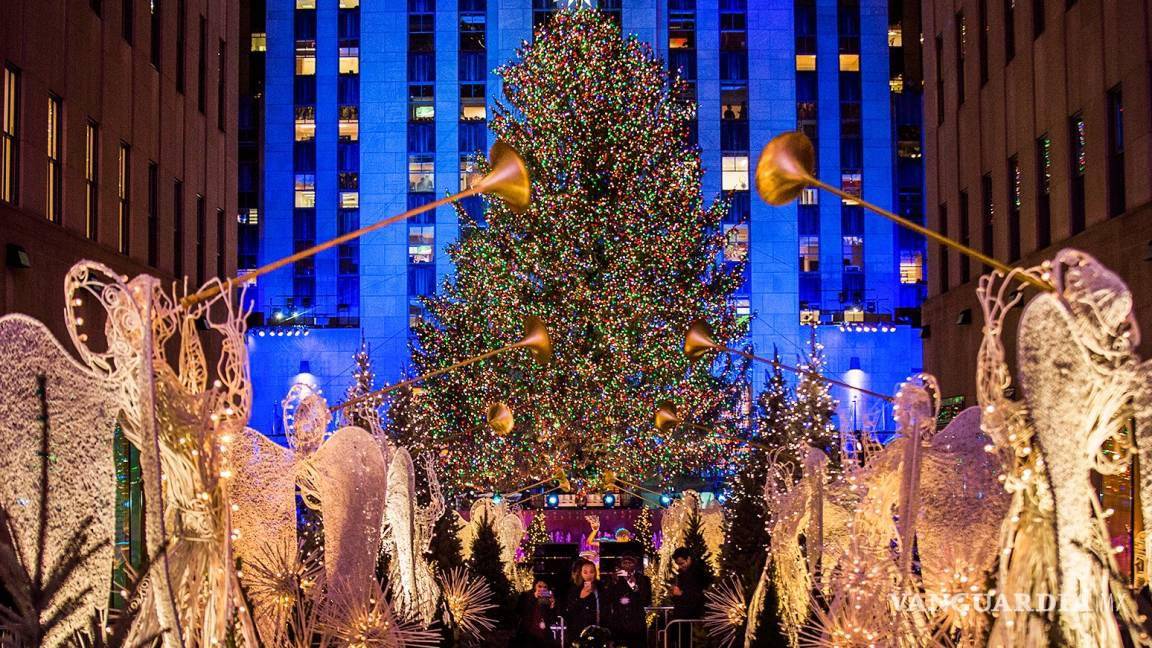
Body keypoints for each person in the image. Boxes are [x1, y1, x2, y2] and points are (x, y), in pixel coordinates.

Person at [606, 554, 651, 647]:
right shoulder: (616, 578)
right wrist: (613, 583)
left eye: (630, 563)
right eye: (624, 563)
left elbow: (645, 600)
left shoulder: (643, 579)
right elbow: (608, 599)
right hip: (619, 623)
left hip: (636, 623)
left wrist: (631, 582)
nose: (627, 566)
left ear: (635, 564)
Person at [668, 547, 710, 646]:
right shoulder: (682, 574)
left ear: (689, 559)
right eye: (678, 564)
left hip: (691, 618)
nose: (680, 566)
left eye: (682, 563)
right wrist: (674, 594)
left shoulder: (697, 574)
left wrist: (681, 594)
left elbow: (698, 597)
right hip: (683, 618)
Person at [564, 558, 606, 646]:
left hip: (599, 630)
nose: (589, 575)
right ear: (581, 573)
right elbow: (570, 611)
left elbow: (606, 608)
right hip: (580, 631)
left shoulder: (600, 587)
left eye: (592, 572)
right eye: (585, 572)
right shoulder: (575, 589)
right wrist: (581, 597)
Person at [511, 579, 559, 647]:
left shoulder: (546, 600)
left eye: (545, 587)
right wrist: (534, 597)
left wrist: (552, 606)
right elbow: (519, 611)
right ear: (534, 586)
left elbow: (553, 619)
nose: (542, 589)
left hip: (542, 636)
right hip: (527, 635)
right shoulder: (526, 595)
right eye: (539, 586)